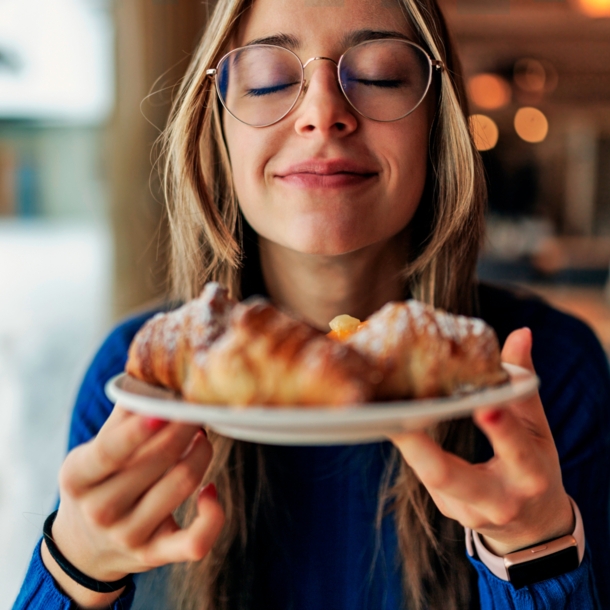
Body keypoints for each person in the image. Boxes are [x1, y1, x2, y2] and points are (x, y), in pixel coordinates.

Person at [14, 0, 610, 608]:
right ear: (218, 125)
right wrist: (74, 567)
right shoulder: (143, 377)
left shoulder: (545, 376)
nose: (322, 114)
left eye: (379, 75)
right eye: (269, 79)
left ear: (437, 119)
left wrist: (535, 549)